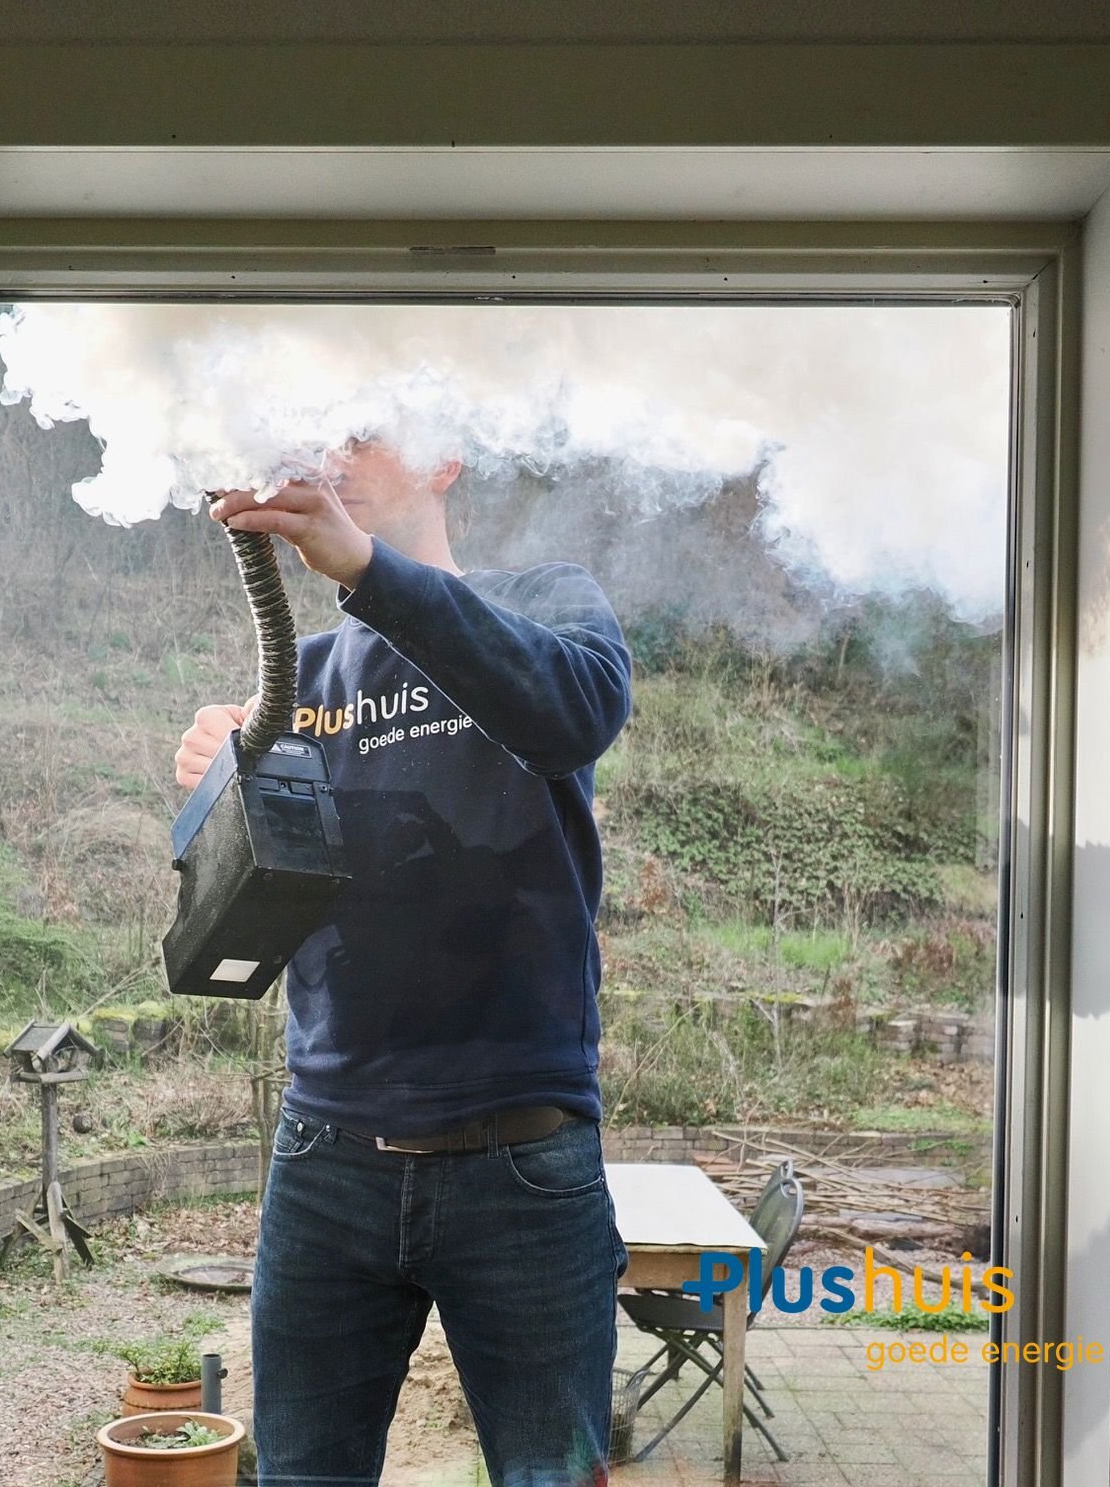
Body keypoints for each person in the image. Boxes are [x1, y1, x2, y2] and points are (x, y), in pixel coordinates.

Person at [176, 438, 633, 1487]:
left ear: (446, 459)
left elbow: (570, 716)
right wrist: (221, 783)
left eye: (366, 431)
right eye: (320, 434)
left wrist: (365, 572)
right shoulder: (304, 679)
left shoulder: (543, 601)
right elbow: (271, 906)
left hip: (521, 1162)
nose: (333, 456)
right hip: (323, 1163)